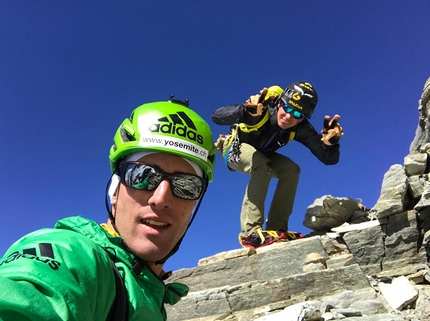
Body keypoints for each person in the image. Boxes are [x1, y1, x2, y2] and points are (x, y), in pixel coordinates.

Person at [0, 98, 216, 320]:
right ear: (115, 192)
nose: (161, 199)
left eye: (187, 186)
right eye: (142, 175)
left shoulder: (150, 295)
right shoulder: (72, 256)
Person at [212, 82, 343, 248]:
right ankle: (250, 233)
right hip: (233, 148)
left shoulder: (300, 127)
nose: (289, 117)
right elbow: (216, 116)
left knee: (291, 170)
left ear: (303, 118)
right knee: (262, 164)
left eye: (297, 114)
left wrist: (331, 144)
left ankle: (277, 229)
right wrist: (246, 111)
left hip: (262, 155)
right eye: (287, 108)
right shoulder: (263, 107)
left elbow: (328, 159)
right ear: (279, 103)